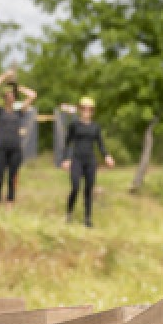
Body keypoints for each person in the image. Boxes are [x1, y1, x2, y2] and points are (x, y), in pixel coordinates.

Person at [0, 68, 37, 206]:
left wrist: (16, 86)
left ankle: (10, 203)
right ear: (4, 97)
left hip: (15, 150)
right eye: (7, 94)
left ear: (15, 97)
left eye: (12, 94)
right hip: (0, 149)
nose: (10, 96)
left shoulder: (20, 112)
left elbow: (32, 95)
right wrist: (4, 77)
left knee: (13, 178)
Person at [61, 97, 115, 227]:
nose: (86, 111)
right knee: (75, 187)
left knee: (88, 190)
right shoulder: (74, 125)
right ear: (80, 109)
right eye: (84, 108)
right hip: (77, 159)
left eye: (89, 109)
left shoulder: (95, 127)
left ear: (92, 111)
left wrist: (107, 156)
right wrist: (66, 159)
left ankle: (87, 219)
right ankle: (69, 214)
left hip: (90, 161)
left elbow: (100, 144)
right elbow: (68, 143)